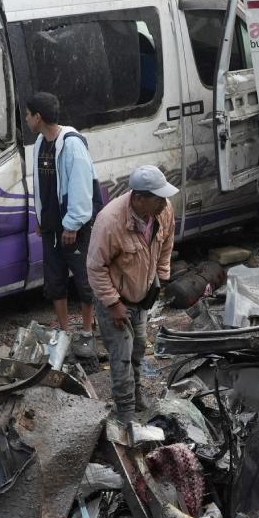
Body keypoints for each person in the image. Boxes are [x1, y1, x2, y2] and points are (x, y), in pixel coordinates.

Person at [87, 164, 177, 423]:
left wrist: (162, 277)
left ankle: (136, 395)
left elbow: (167, 242)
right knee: (121, 357)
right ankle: (125, 413)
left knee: (138, 347)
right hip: (115, 298)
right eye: (158, 198)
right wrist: (113, 304)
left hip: (143, 293)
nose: (164, 203)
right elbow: (95, 268)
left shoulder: (163, 210)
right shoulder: (110, 222)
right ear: (138, 199)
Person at [24, 93, 103, 353]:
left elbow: (81, 187)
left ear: (38, 117)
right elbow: (42, 186)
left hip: (74, 228)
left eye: (28, 114)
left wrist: (73, 225)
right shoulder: (40, 143)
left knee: (83, 279)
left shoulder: (71, 144)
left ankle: (87, 331)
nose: (26, 119)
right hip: (50, 226)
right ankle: (65, 332)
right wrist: (41, 217)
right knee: (54, 280)